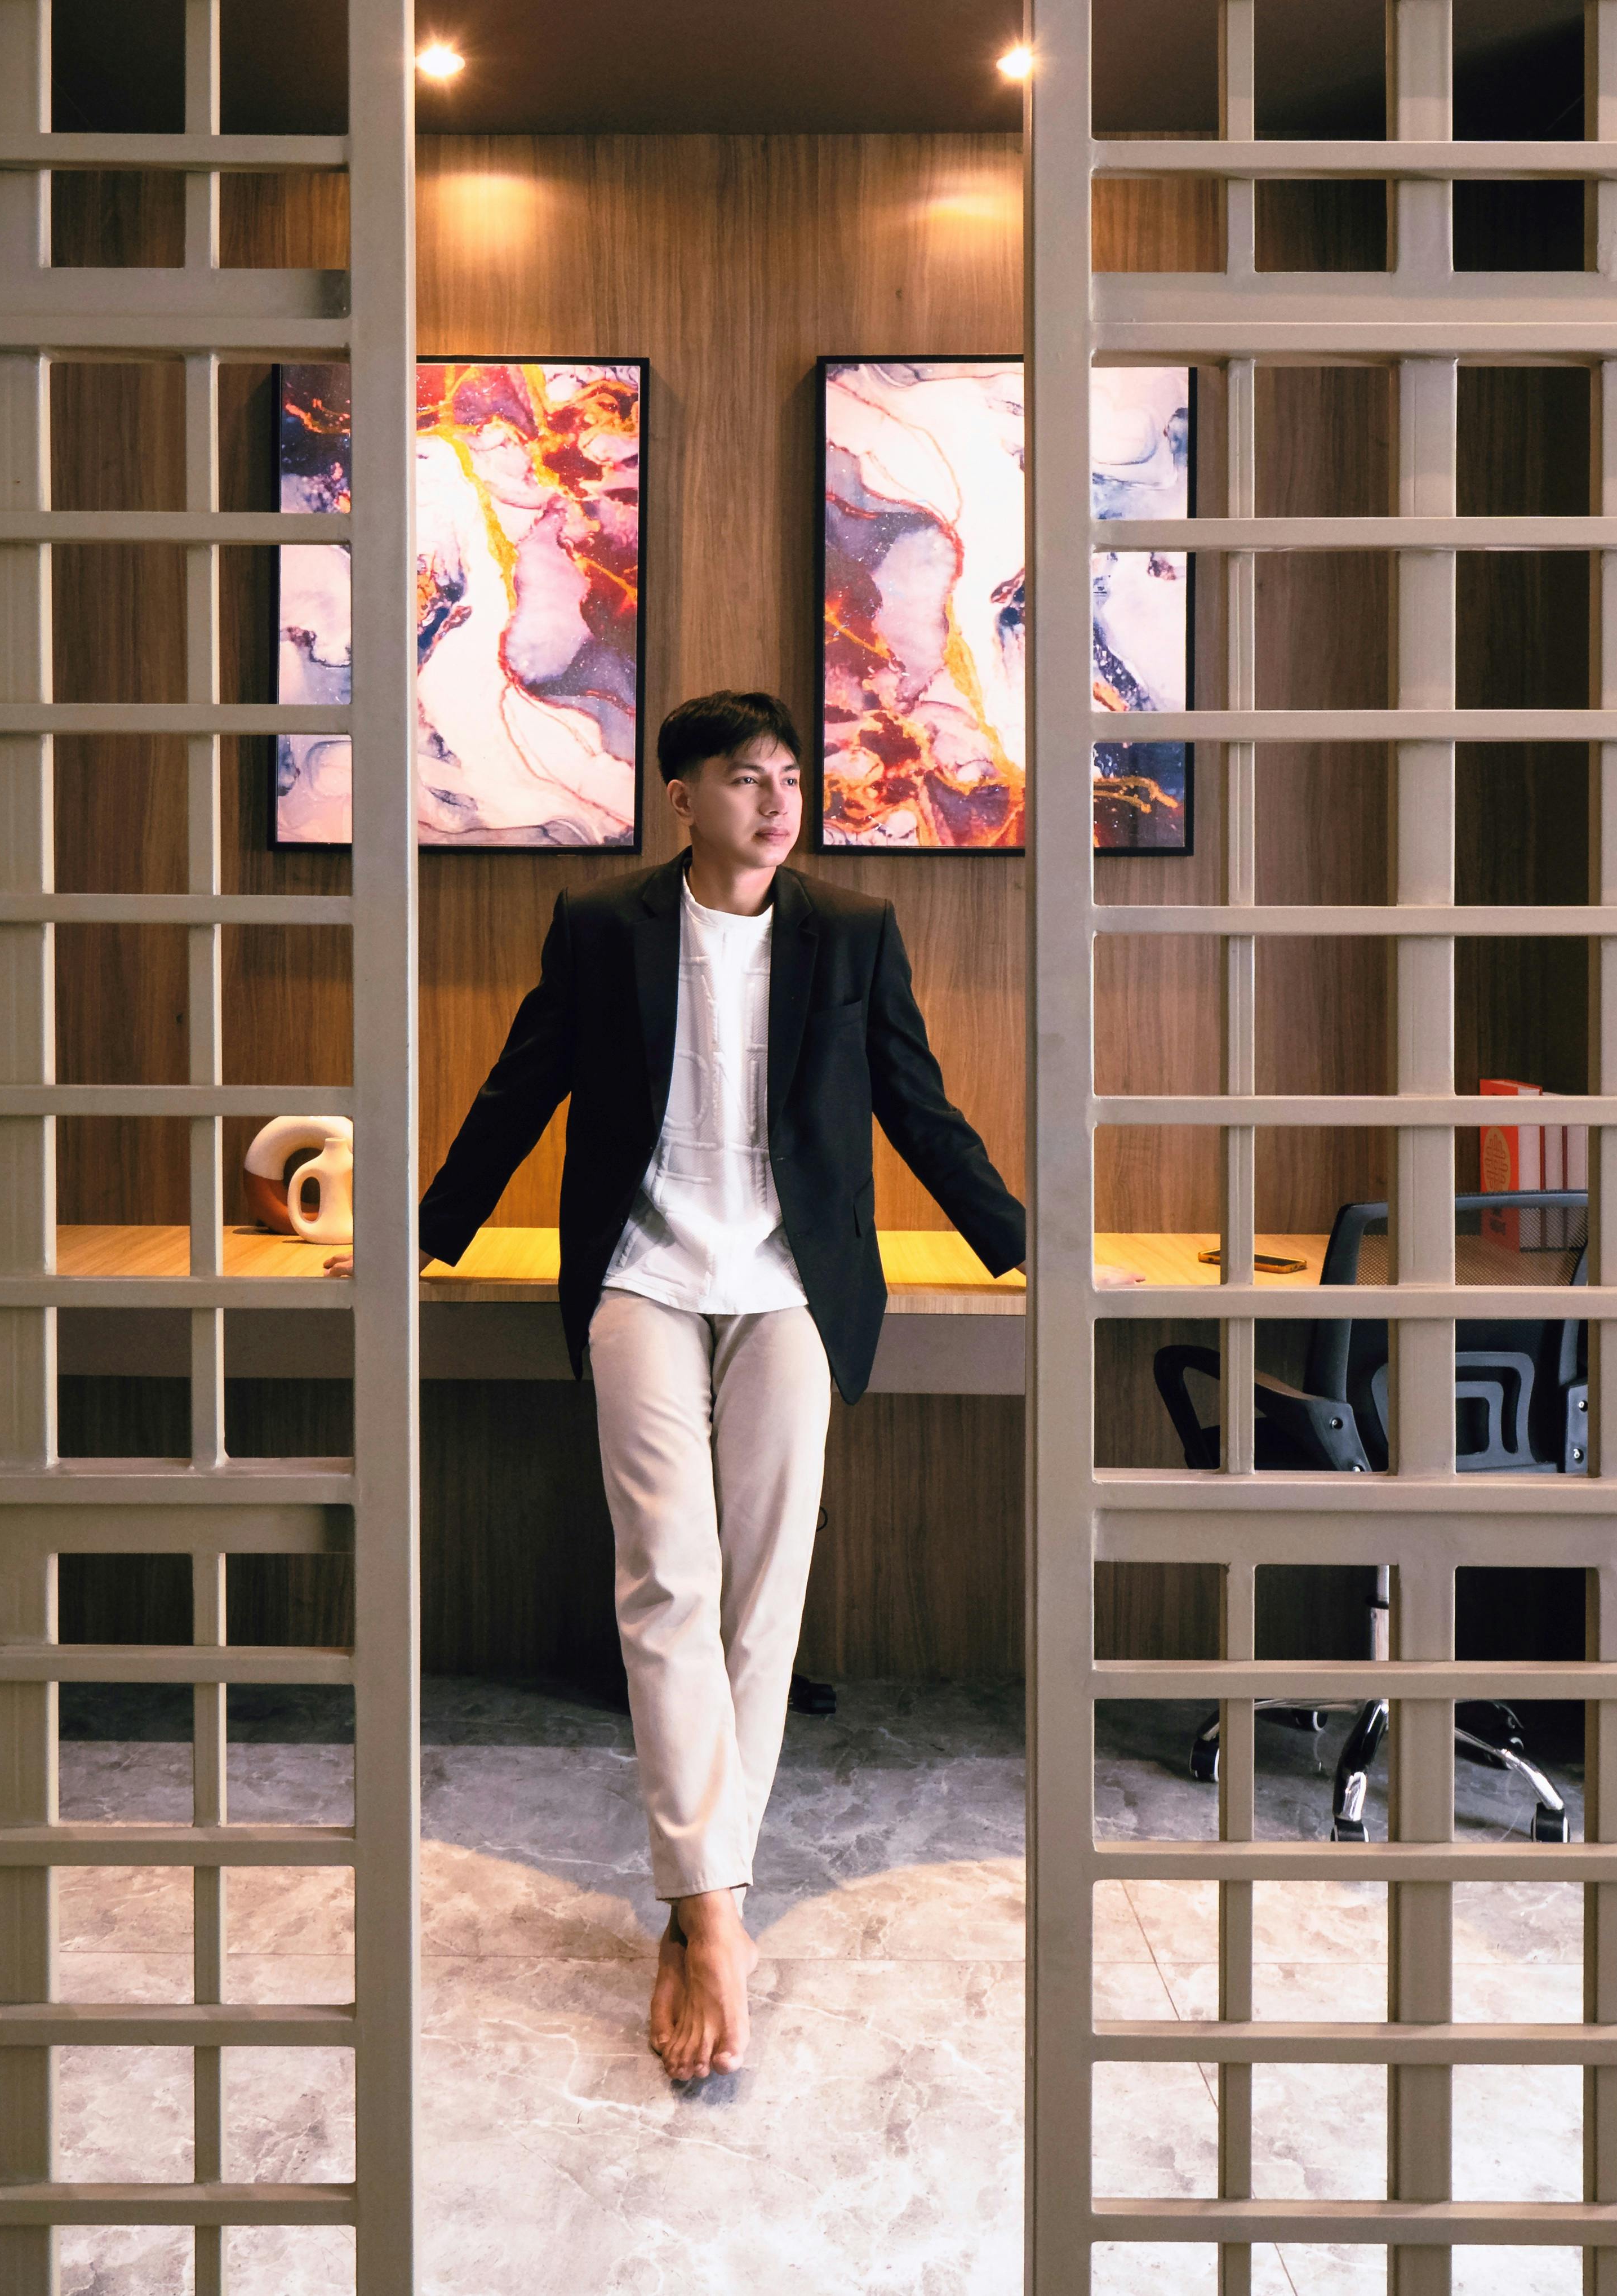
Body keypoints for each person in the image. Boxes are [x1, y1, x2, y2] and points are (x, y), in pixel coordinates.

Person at [341, 690, 1025, 2082]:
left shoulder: (853, 931)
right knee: (667, 1579)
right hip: (645, 1277)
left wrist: (1029, 1252)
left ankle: (697, 1895)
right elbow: (519, 1086)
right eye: (743, 778)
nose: (776, 801)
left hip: (791, 1288)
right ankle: (719, 1913)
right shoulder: (604, 927)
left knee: (765, 1597)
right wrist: (419, 1231)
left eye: (788, 778)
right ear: (682, 797)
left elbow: (918, 1104)